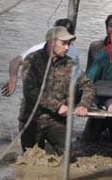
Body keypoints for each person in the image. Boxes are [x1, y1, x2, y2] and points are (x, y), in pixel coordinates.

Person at [18, 26, 96, 154]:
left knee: (67, 157)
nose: (67, 48)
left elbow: (88, 85)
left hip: (57, 121)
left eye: (69, 44)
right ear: (51, 42)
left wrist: (83, 105)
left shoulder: (70, 64)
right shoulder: (32, 60)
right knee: (30, 160)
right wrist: (58, 106)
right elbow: (31, 91)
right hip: (32, 119)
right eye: (63, 43)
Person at [1, 18, 80, 96]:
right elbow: (15, 61)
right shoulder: (39, 49)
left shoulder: (73, 52)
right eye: (63, 42)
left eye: (68, 42)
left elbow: (77, 79)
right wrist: (13, 80)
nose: (66, 47)